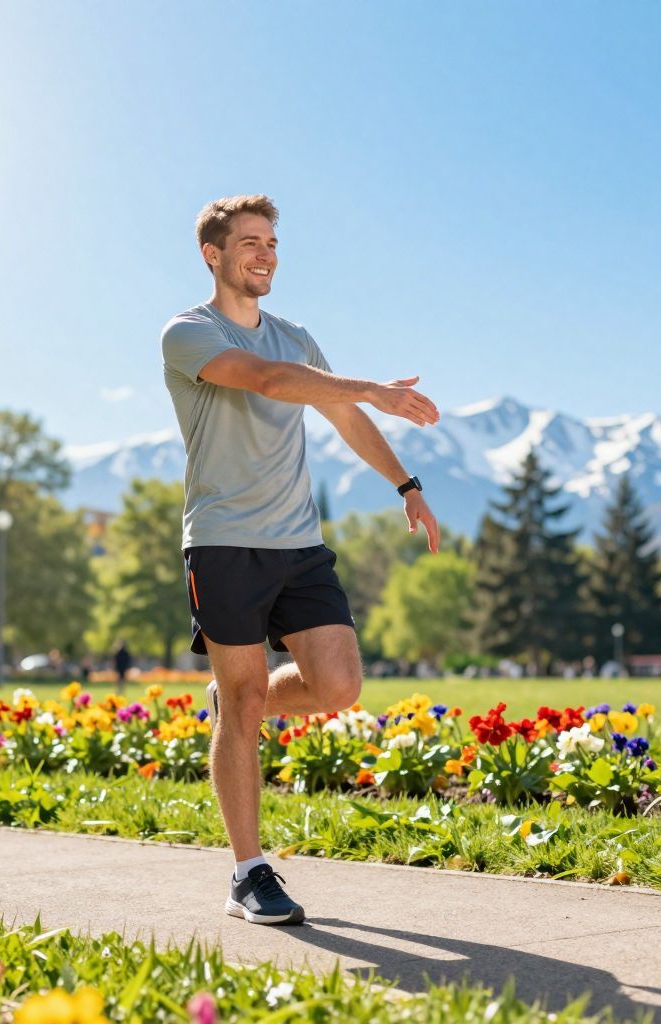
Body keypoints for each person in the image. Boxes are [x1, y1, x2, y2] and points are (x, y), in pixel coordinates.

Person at [161, 195, 440, 926]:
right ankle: (248, 873)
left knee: (338, 685)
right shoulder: (188, 334)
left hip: (299, 544)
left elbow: (341, 416)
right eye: (249, 242)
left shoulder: (297, 336)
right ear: (212, 254)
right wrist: (373, 387)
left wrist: (406, 486)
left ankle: (235, 708)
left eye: (273, 243)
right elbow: (270, 383)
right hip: (223, 543)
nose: (265, 254)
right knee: (247, 696)